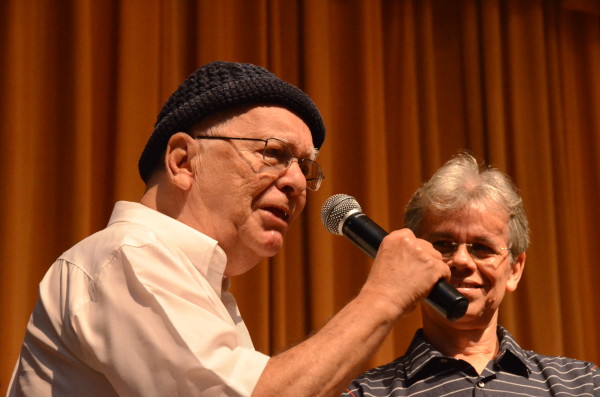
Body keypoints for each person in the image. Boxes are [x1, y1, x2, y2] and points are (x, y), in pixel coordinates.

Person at [8, 61, 452, 396]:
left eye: (306, 168)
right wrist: (385, 296)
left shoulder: (196, 285)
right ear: (183, 161)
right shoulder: (128, 257)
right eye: (273, 153)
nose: (298, 182)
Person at [342, 152, 600, 396]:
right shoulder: (367, 392)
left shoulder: (583, 385)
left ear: (514, 270)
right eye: (443, 244)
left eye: (482, 248)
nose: (461, 260)